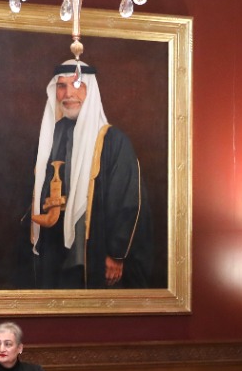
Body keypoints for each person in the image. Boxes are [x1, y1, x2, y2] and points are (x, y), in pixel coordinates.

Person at [23, 58, 149, 290]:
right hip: (54, 247)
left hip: (94, 249)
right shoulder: (50, 137)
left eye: (76, 85)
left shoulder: (113, 141)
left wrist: (116, 254)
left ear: (91, 91)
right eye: (61, 86)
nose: (68, 94)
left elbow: (127, 200)